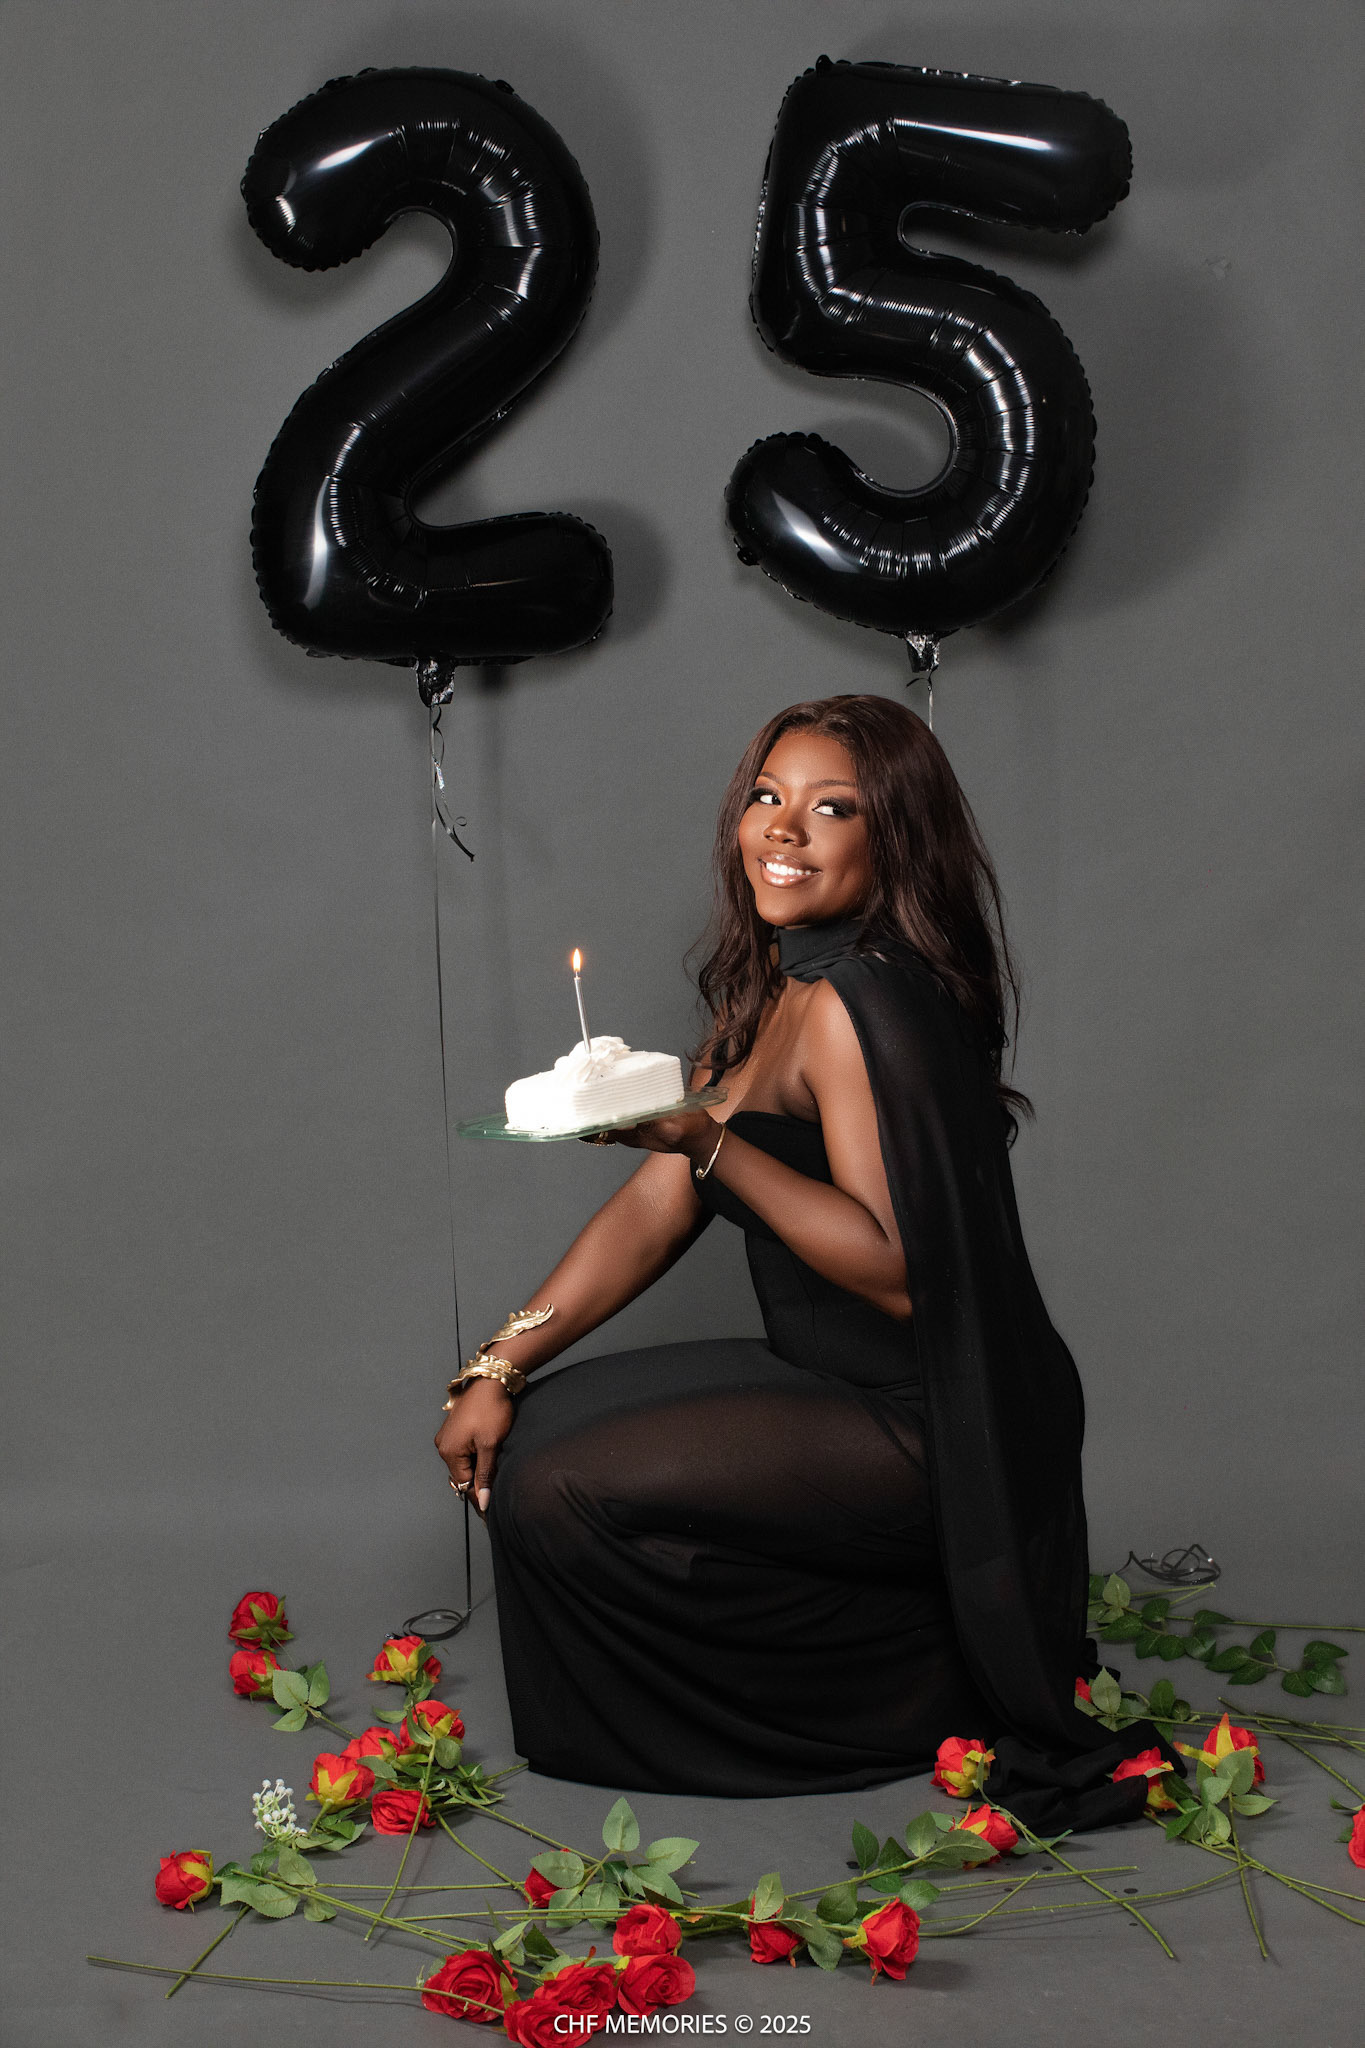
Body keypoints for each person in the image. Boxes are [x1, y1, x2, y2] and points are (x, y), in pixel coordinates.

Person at [435, 695, 1166, 1827]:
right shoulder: (787, 981)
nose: (782, 828)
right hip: (842, 1380)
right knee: (530, 1431)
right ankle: (905, 1649)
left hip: (943, 1419)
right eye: (767, 797)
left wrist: (706, 1139)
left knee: (557, 1482)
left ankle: (920, 1688)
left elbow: (895, 1270)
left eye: (833, 808)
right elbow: (660, 1203)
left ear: (894, 838)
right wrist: (497, 1362)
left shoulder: (860, 1001)